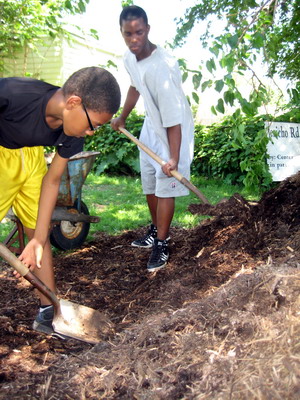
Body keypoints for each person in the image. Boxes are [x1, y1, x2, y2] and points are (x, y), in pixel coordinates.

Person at [0, 66, 121, 336]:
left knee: (39, 235)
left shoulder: (72, 132)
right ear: (73, 103)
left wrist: (37, 238)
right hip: (1, 158)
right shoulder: (12, 93)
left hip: (31, 160)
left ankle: (48, 312)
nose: (92, 133)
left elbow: (53, 180)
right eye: (94, 125)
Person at [111, 5, 194, 272]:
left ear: (147, 29)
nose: (134, 39)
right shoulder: (129, 57)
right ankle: (156, 229)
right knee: (149, 180)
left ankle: (162, 242)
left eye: (139, 32)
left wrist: (173, 157)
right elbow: (135, 85)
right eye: (128, 34)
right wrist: (123, 117)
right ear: (122, 33)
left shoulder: (163, 67)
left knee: (164, 182)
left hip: (174, 128)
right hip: (151, 123)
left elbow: (174, 119)